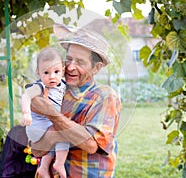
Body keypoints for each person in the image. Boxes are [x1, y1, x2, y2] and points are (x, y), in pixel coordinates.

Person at [30, 28, 121, 178]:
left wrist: (52, 116)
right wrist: (69, 133)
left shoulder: (105, 96)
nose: (71, 67)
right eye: (69, 59)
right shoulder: (54, 91)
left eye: (80, 62)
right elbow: (36, 149)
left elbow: (90, 145)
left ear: (96, 68)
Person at [20, 47, 68, 178]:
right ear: (38, 72)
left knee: (55, 141)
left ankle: (44, 168)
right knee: (64, 133)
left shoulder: (63, 85)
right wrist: (26, 113)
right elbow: (26, 96)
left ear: (63, 70)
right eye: (46, 72)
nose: (52, 76)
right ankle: (59, 163)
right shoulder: (40, 86)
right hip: (37, 125)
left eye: (56, 71)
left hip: (46, 125)